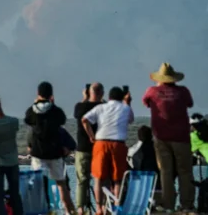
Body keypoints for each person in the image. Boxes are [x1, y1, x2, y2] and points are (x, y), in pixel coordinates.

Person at [142, 63, 194, 212]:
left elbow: (145, 102)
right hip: (182, 137)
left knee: (165, 171)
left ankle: (168, 204)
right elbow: (190, 104)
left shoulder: (152, 91)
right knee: (185, 171)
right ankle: (186, 204)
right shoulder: (183, 91)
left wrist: (159, 88)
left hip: (161, 136)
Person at [24, 81, 75, 215]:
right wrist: (52, 104)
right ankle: (68, 211)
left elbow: (27, 120)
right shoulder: (55, 111)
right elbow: (62, 120)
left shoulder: (32, 111)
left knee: (38, 185)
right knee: (61, 184)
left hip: (38, 152)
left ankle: (41, 211)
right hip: (55, 152)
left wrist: (35, 103)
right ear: (51, 95)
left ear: (38, 93)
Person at [81, 86, 134, 214]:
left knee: (98, 178)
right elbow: (131, 120)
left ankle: (99, 208)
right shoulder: (126, 108)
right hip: (118, 144)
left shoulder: (101, 107)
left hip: (101, 143)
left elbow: (84, 119)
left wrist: (91, 137)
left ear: (108, 97)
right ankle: (116, 205)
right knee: (118, 178)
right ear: (122, 97)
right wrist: (128, 102)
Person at [72, 83, 103, 214]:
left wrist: (85, 97)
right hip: (99, 148)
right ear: (101, 93)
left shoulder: (80, 106)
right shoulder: (103, 107)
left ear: (89, 92)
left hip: (83, 148)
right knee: (99, 179)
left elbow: (77, 114)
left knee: (81, 180)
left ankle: (80, 209)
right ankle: (100, 207)